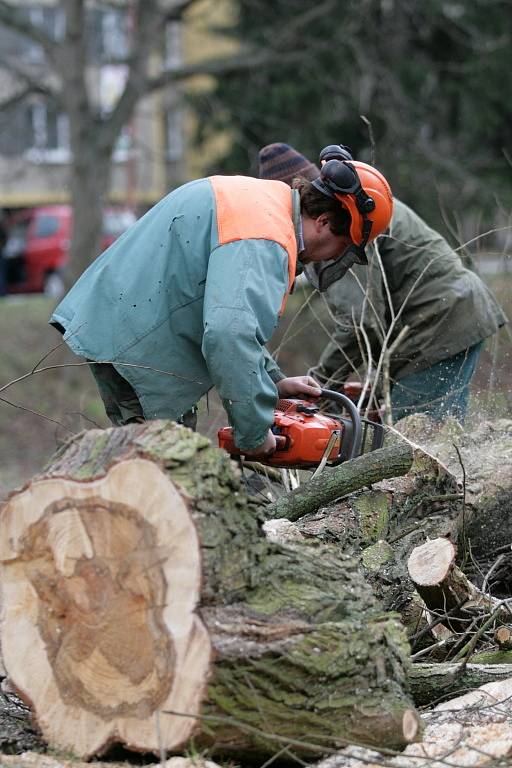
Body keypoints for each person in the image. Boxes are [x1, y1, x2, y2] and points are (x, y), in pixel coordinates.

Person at [50, 163, 393, 454]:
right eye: (342, 246)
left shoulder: (263, 204)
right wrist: (254, 434)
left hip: (123, 324)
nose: (333, 257)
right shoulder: (266, 235)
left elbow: (230, 318)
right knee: (165, 467)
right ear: (322, 221)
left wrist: (275, 383)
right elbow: (229, 334)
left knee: (148, 462)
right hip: (138, 341)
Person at [259, 143, 508, 423]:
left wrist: (319, 385)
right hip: (440, 319)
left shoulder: (338, 225)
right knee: (426, 435)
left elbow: (362, 322)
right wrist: (373, 384)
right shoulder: (345, 208)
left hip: (438, 324)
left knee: (419, 447)